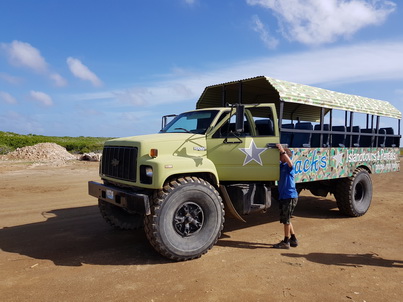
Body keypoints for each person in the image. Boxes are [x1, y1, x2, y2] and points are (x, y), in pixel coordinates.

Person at [273, 143, 299, 249]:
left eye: (280, 155)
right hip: (284, 196)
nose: (279, 157)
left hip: (290, 196)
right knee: (287, 219)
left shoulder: (289, 167)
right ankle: (293, 239)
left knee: (286, 220)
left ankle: (286, 241)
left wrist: (282, 151)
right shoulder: (281, 166)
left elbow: (290, 163)